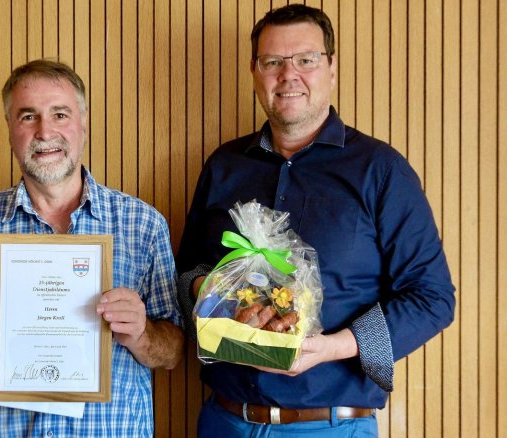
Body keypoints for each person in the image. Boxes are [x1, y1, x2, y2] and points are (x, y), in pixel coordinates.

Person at [175, 4, 455, 437]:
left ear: (331, 68)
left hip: (331, 425)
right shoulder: (223, 165)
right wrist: (215, 293)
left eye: (306, 59)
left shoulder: (380, 170)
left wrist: (330, 348)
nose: (289, 75)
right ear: (255, 72)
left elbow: (432, 298)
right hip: (224, 420)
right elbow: (183, 274)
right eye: (273, 62)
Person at [0, 59, 183, 436]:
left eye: (60, 114)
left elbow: (173, 352)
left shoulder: (143, 225)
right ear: (10, 127)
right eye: (28, 116)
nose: (45, 132)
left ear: (83, 123)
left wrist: (142, 335)